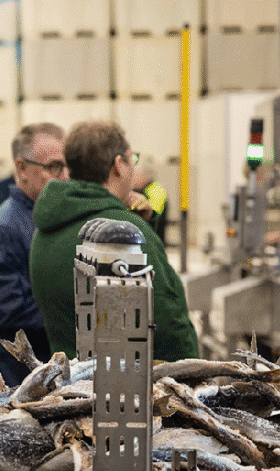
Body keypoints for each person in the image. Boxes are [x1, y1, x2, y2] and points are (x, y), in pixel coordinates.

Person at [29, 121, 197, 362]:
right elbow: (167, 322)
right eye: (132, 159)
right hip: (127, 389)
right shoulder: (124, 232)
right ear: (118, 165)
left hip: (68, 385)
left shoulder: (45, 232)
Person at [0, 123, 65, 387]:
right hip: (15, 379)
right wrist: (69, 318)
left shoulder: (43, 219)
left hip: (41, 372)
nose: (63, 175)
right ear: (21, 168)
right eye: (53, 167)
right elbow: (10, 318)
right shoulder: (4, 230)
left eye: (65, 166)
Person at [125, 163, 168, 243]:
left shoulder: (156, 189)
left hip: (154, 236)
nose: (132, 179)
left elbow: (153, 213)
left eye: (135, 176)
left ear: (144, 177)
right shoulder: (143, 189)